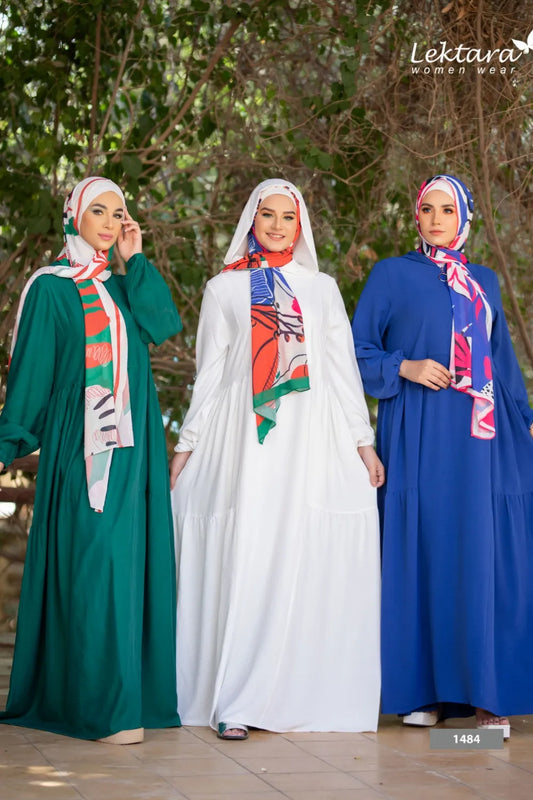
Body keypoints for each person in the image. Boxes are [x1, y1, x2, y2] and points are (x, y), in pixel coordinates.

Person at [170, 178, 384, 740]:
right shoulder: (223, 290)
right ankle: (235, 699)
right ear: (251, 219)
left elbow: (342, 371)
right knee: (249, 552)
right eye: (267, 214)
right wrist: (187, 444)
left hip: (311, 442)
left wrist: (362, 442)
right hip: (244, 443)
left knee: (298, 553)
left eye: (288, 217)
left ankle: (292, 693)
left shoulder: (322, 290)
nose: (277, 225)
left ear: (300, 224)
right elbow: (210, 374)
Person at [0, 176, 182, 743]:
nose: (108, 221)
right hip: (81, 453)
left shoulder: (123, 285)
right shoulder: (51, 288)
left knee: (126, 567)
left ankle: (127, 698)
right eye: (97, 211)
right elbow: (29, 380)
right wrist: (6, 445)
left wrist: (135, 259)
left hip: (135, 452)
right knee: (94, 562)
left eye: (118, 213)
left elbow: (164, 325)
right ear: (73, 216)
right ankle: (98, 705)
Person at [351, 174, 533, 739]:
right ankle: (422, 691)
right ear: (415, 216)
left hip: (483, 439)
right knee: (424, 549)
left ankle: (481, 695)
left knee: (479, 555)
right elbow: (353, 350)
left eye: (447, 210)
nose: (435, 219)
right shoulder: (391, 275)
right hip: (421, 430)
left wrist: (526, 421)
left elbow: (501, 364)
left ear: (465, 220)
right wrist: (403, 367)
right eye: (427, 209)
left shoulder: (485, 282)